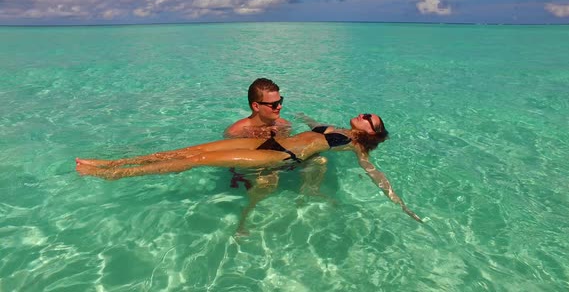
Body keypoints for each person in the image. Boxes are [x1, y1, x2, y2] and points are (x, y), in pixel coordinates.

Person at [76, 113, 423, 223]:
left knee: (195, 162)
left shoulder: (357, 145)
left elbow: (373, 173)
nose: (362, 116)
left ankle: (111, 175)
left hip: (275, 157)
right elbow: (313, 126)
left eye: (368, 119)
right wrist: (303, 119)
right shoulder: (336, 128)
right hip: (262, 144)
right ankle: (111, 163)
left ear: (370, 133)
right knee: (190, 149)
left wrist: (399, 203)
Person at [224, 78, 291, 139]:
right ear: (256, 106)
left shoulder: (284, 125)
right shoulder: (236, 132)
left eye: (280, 101)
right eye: (274, 104)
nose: (279, 107)